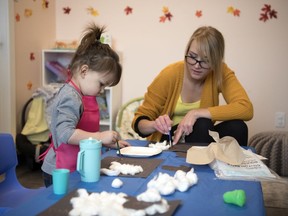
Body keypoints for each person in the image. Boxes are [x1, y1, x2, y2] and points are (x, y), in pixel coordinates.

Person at [132, 26, 253, 147]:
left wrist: (195, 113)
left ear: (216, 61)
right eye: (193, 56)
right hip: (170, 140)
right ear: (187, 52)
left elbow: (246, 108)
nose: (196, 65)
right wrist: (154, 125)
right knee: (202, 124)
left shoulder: (220, 72)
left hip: (201, 136)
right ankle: (197, 164)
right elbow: (139, 123)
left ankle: (231, 166)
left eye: (205, 60)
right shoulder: (170, 74)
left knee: (238, 127)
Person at [41, 23, 129, 187]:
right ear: (84, 71)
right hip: (60, 171)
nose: (102, 90)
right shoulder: (71, 97)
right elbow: (65, 133)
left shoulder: (82, 93)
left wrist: (103, 142)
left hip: (75, 165)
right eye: (101, 84)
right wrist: (100, 137)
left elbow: (85, 132)